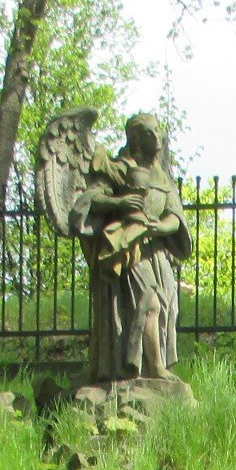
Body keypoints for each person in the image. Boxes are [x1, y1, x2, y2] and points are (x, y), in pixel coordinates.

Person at [76, 114, 190, 384]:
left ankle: (152, 364)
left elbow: (175, 216)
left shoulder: (162, 177)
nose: (158, 137)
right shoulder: (117, 169)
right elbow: (89, 201)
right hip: (129, 250)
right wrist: (120, 203)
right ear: (136, 139)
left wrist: (159, 228)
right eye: (151, 133)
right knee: (148, 302)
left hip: (156, 251)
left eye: (159, 130)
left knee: (166, 308)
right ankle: (153, 367)